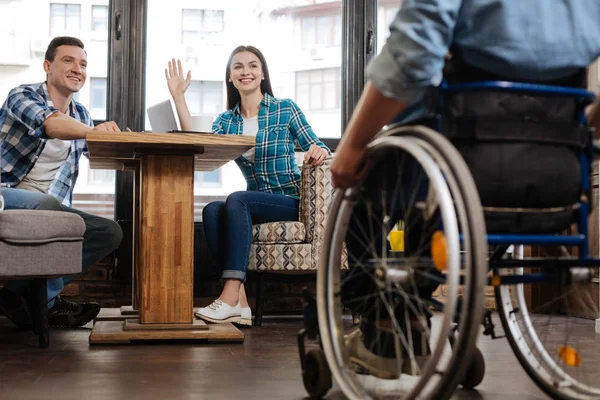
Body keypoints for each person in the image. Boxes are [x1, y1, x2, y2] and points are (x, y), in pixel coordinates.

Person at [331, 0, 600, 378]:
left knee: (366, 190)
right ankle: (409, 316)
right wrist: (582, 135)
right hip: (558, 176)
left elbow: (410, 55)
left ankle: (386, 329)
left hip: (462, 161)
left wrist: (353, 143)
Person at [165, 45, 330, 325]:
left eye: (253, 65)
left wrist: (319, 151)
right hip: (256, 205)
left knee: (237, 199)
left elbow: (318, 145)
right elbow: (196, 141)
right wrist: (179, 96)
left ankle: (228, 294)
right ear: (230, 76)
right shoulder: (227, 121)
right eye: (238, 66)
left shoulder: (284, 109)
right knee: (213, 211)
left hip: (289, 202)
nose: (246, 71)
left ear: (262, 73)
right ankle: (239, 301)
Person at [0, 36, 124, 329]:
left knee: (108, 231)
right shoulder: (22, 95)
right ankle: (47, 303)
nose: (77, 69)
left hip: (49, 205)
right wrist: (93, 132)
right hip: (6, 195)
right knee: (48, 203)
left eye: (82, 64)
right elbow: (51, 123)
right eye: (68, 60)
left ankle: (24, 295)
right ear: (47, 66)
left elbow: (101, 155)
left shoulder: (81, 114)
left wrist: (119, 139)